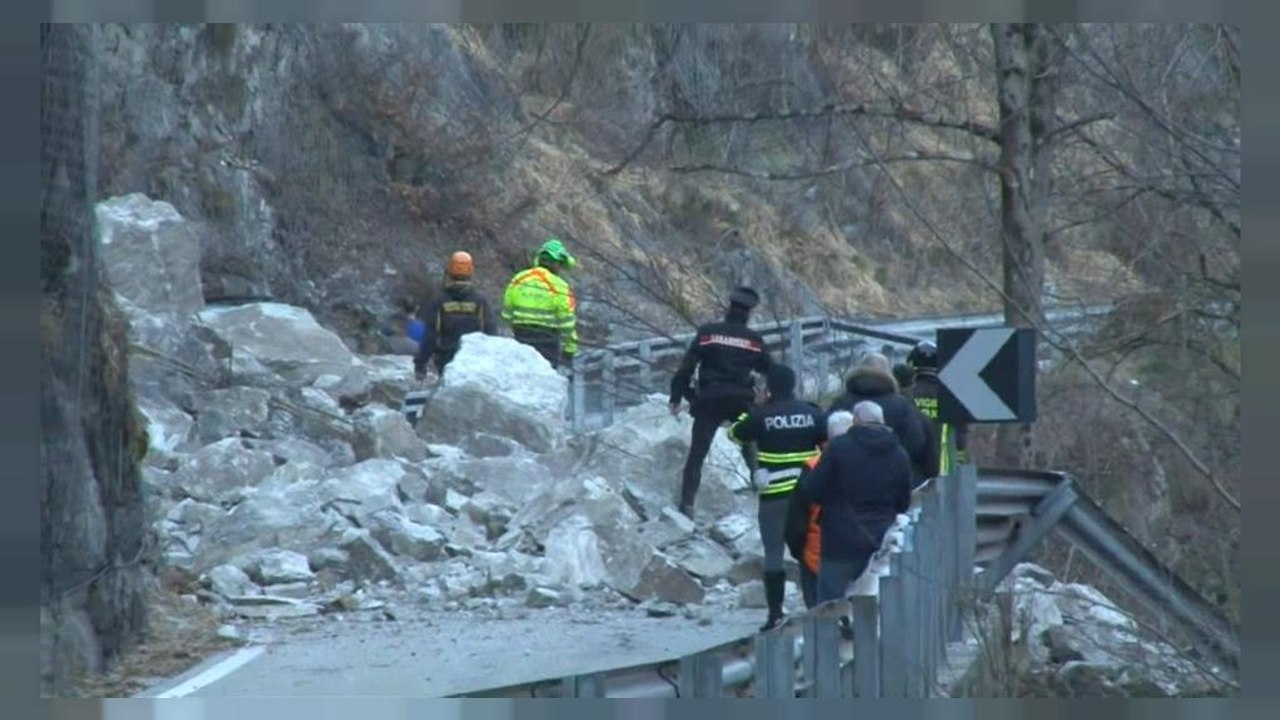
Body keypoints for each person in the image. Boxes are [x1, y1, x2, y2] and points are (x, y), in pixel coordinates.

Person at [727, 364, 826, 632]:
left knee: (773, 555)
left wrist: (754, 407)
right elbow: (828, 442)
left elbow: (734, 433)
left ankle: (775, 615)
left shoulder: (761, 415)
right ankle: (821, 608)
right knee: (814, 550)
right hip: (809, 495)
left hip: (775, 498)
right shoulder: (812, 413)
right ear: (794, 384)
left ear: (769, 387)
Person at [668, 286, 772, 520]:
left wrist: (679, 397)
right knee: (752, 451)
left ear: (729, 308)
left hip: (709, 400)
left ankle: (687, 507)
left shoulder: (708, 333)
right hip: (741, 401)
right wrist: (767, 401)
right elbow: (771, 372)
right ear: (749, 313)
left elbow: (685, 369)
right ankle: (765, 502)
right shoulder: (755, 341)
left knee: (697, 455)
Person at [799, 400, 913, 605]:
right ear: (882, 422)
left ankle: (832, 635)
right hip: (879, 541)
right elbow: (903, 503)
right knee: (874, 603)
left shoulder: (838, 448)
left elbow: (812, 490)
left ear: (856, 421)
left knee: (829, 605)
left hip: (838, 541)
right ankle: (865, 636)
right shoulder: (900, 454)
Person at [828, 352, 930, 488]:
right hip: (893, 483)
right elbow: (916, 444)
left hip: (849, 484)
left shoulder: (841, 403)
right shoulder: (902, 405)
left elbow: (828, 442)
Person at [785, 409, 854, 610]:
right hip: (861, 550)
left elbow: (797, 517)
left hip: (818, 551)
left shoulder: (814, 466)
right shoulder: (869, 463)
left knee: (819, 614)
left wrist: (798, 550)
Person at [414, 251, 498, 379]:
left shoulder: (439, 300)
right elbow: (490, 333)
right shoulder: (480, 301)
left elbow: (430, 335)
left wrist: (421, 364)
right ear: (471, 271)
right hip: (473, 360)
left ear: (449, 271)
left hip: (446, 360)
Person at [501, 238, 579, 369]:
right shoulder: (560, 286)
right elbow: (567, 323)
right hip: (547, 342)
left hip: (520, 337)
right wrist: (569, 350)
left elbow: (507, 314)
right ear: (558, 263)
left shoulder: (518, 279)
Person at [904, 339, 970, 476]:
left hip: (913, 472)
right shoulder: (951, 396)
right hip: (945, 471)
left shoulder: (905, 395)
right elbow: (961, 441)